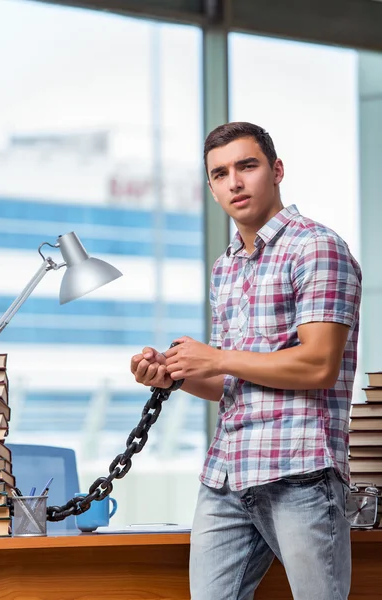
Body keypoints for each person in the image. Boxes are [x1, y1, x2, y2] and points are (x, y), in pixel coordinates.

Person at [130, 121, 362, 600]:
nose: (234, 182)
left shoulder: (316, 247)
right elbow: (230, 381)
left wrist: (214, 357)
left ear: (276, 171)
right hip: (227, 475)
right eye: (219, 174)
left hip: (298, 471)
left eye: (247, 166)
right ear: (211, 188)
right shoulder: (226, 266)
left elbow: (318, 364)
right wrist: (175, 376)